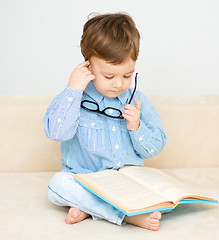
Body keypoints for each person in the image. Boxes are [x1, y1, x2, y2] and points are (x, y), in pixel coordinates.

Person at [43, 13, 167, 231]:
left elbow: (155, 147)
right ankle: (124, 215)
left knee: (164, 193)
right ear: (88, 66)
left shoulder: (138, 101)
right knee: (58, 186)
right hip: (88, 182)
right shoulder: (72, 97)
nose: (119, 84)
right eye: (109, 76)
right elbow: (56, 133)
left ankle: (89, 209)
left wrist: (137, 128)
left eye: (127, 76)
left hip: (127, 184)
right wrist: (73, 90)